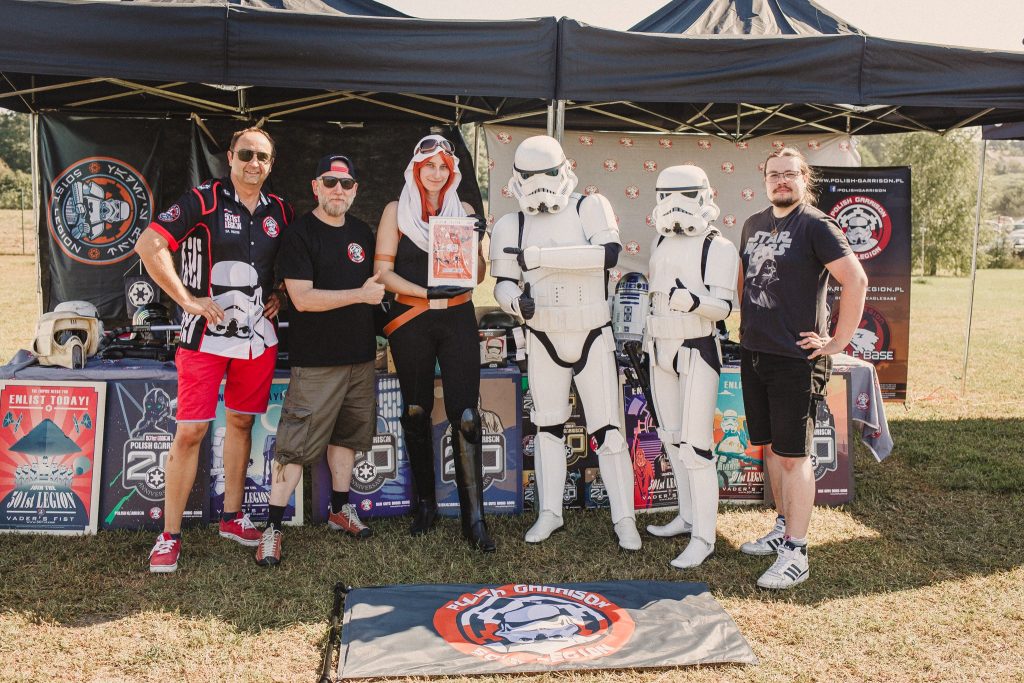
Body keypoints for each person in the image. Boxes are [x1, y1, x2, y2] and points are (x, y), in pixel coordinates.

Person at [136, 127, 293, 573]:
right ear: (230, 157)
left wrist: (280, 292)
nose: (253, 163)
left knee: (242, 422)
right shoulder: (202, 200)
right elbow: (149, 244)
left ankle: (232, 517)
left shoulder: (280, 210)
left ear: (271, 164)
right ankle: (169, 536)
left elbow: (292, 262)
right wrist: (186, 299)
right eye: (246, 154)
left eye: (262, 157)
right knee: (191, 432)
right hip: (204, 336)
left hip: (257, 337)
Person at [489, 135, 641, 551]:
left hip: (592, 331)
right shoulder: (511, 224)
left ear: (564, 170)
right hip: (543, 334)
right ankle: (550, 512)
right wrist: (514, 302)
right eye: (531, 176)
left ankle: (624, 517)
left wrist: (540, 258)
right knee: (547, 426)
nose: (540, 185)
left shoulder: (589, 206)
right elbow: (503, 281)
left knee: (609, 428)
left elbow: (607, 254)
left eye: (547, 174)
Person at [737, 147, 867, 589]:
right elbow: (746, 280)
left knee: (794, 456)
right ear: (765, 180)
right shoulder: (753, 224)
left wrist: (837, 341)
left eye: (789, 174)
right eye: (774, 174)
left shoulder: (816, 224)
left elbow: (856, 280)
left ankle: (797, 552)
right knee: (773, 449)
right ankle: (782, 527)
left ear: (803, 179)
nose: (781, 181)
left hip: (797, 359)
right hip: (756, 353)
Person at [254, 154, 384, 566]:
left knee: (347, 439)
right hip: (316, 362)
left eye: (346, 184)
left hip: (360, 358)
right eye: (330, 182)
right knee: (293, 446)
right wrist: (361, 295)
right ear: (315, 187)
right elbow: (303, 299)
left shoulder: (362, 232)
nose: (337, 190)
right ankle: (272, 528)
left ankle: (340, 510)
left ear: (355, 190)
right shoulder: (299, 234)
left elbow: (380, 287)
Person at [373, 134, 495, 553]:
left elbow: (478, 276)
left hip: (457, 317)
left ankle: (474, 519)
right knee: (415, 409)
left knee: (467, 414)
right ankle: (425, 504)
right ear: (416, 168)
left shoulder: (464, 210)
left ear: (452, 172)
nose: (437, 173)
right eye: (430, 166)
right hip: (412, 318)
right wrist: (426, 294)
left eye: (444, 166)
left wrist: (477, 243)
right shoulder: (396, 211)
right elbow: (382, 274)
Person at [642, 165, 739, 569]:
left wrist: (695, 302)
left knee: (696, 447)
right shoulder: (660, 240)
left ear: (704, 196)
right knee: (671, 439)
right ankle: (687, 516)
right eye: (667, 196)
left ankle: (704, 536)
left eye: (684, 195)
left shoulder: (718, 246)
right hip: (659, 346)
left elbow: (725, 307)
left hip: (697, 346)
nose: (675, 205)